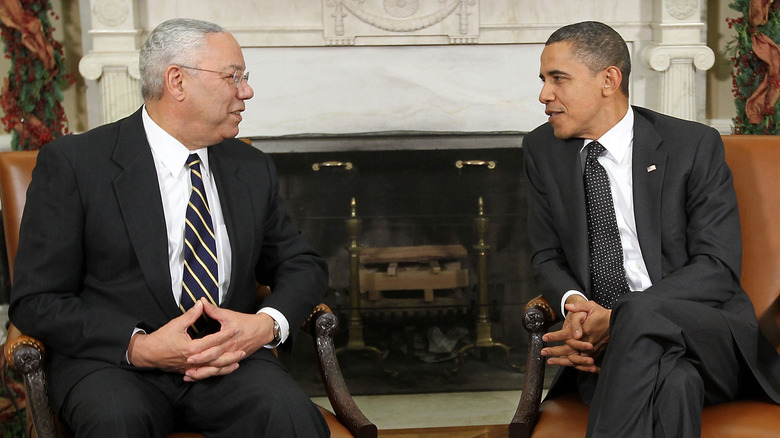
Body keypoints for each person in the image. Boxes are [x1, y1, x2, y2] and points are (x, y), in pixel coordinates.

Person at [9, 18, 330, 437]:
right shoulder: (75, 164)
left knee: (293, 419)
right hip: (114, 364)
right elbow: (37, 300)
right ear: (177, 81)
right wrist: (138, 346)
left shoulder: (250, 167)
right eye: (233, 77)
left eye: (244, 78)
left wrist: (265, 324)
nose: (246, 91)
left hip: (226, 361)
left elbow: (302, 264)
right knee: (117, 424)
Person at [523, 21, 780, 437]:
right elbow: (546, 255)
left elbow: (717, 267)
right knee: (675, 383)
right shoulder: (542, 150)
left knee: (639, 310)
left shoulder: (692, 145)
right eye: (543, 80)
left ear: (609, 80)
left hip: (707, 334)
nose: (544, 95)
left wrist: (620, 315)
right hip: (606, 350)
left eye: (559, 79)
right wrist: (576, 309)